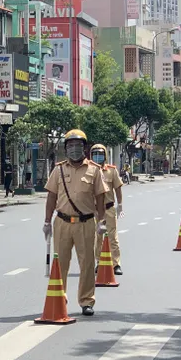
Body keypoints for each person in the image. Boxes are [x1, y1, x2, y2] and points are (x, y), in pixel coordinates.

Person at [43, 129, 109, 316]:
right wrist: (47, 222)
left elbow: (100, 197)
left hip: (86, 223)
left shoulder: (94, 170)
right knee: (60, 263)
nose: (74, 149)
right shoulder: (59, 169)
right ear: (65, 148)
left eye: (77, 145)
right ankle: (59, 297)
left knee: (87, 263)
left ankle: (86, 301)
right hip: (62, 222)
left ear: (84, 148)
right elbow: (51, 197)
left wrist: (101, 221)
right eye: (70, 146)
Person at [91, 143, 125, 275]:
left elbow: (118, 188)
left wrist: (120, 205)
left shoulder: (111, 170)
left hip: (108, 208)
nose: (97, 156)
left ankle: (116, 264)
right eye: (95, 154)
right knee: (97, 237)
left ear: (105, 155)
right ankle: (99, 262)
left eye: (100, 154)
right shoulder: (89, 171)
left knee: (112, 236)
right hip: (94, 210)